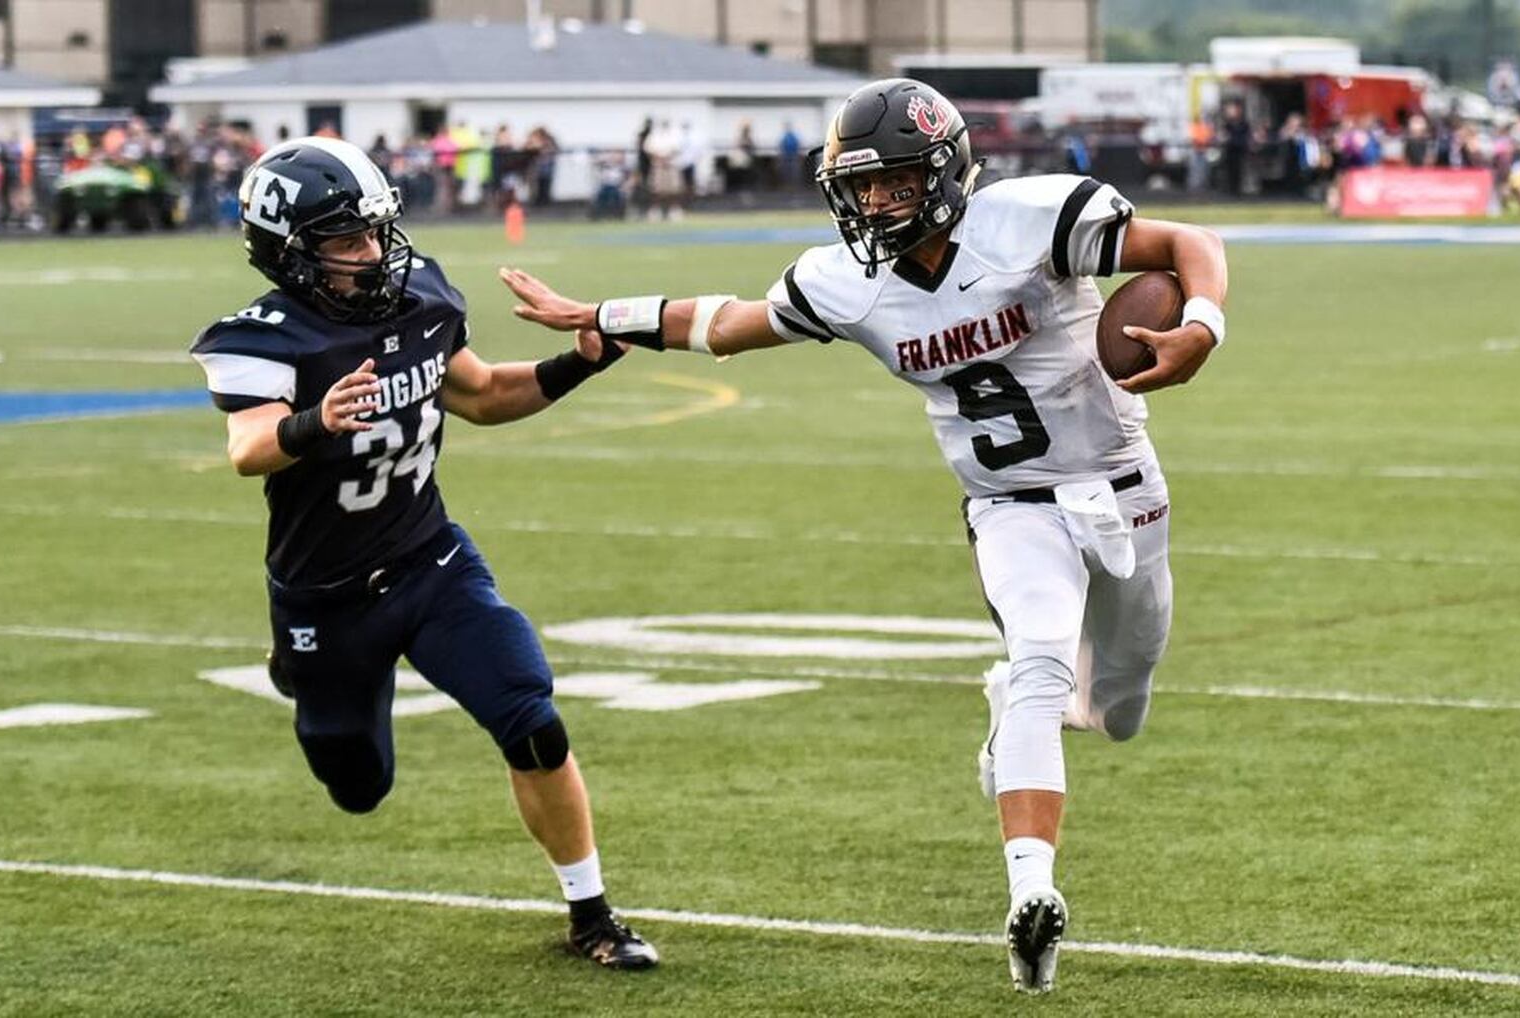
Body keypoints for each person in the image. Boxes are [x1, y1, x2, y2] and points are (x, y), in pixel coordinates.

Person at [499, 79, 1228, 995]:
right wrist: (605, 316)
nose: (873, 203)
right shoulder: (845, 280)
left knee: (1119, 707)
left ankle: (1016, 710)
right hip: (1009, 505)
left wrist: (1201, 323)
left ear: (944, 171)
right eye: (860, 185)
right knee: (1043, 658)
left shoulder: (1029, 219)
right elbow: (725, 325)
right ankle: (1031, 892)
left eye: (891, 183)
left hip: (1122, 486)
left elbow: (1186, 245)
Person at [188, 136, 658, 971]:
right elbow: (248, 447)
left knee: (531, 715)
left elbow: (479, 396)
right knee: (357, 786)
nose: (371, 252)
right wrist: (315, 422)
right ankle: (298, 668)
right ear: (287, 250)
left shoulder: (420, 297)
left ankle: (591, 913)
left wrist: (577, 364)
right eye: (344, 239)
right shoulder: (264, 339)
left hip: (428, 559)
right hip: (324, 596)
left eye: (374, 231)